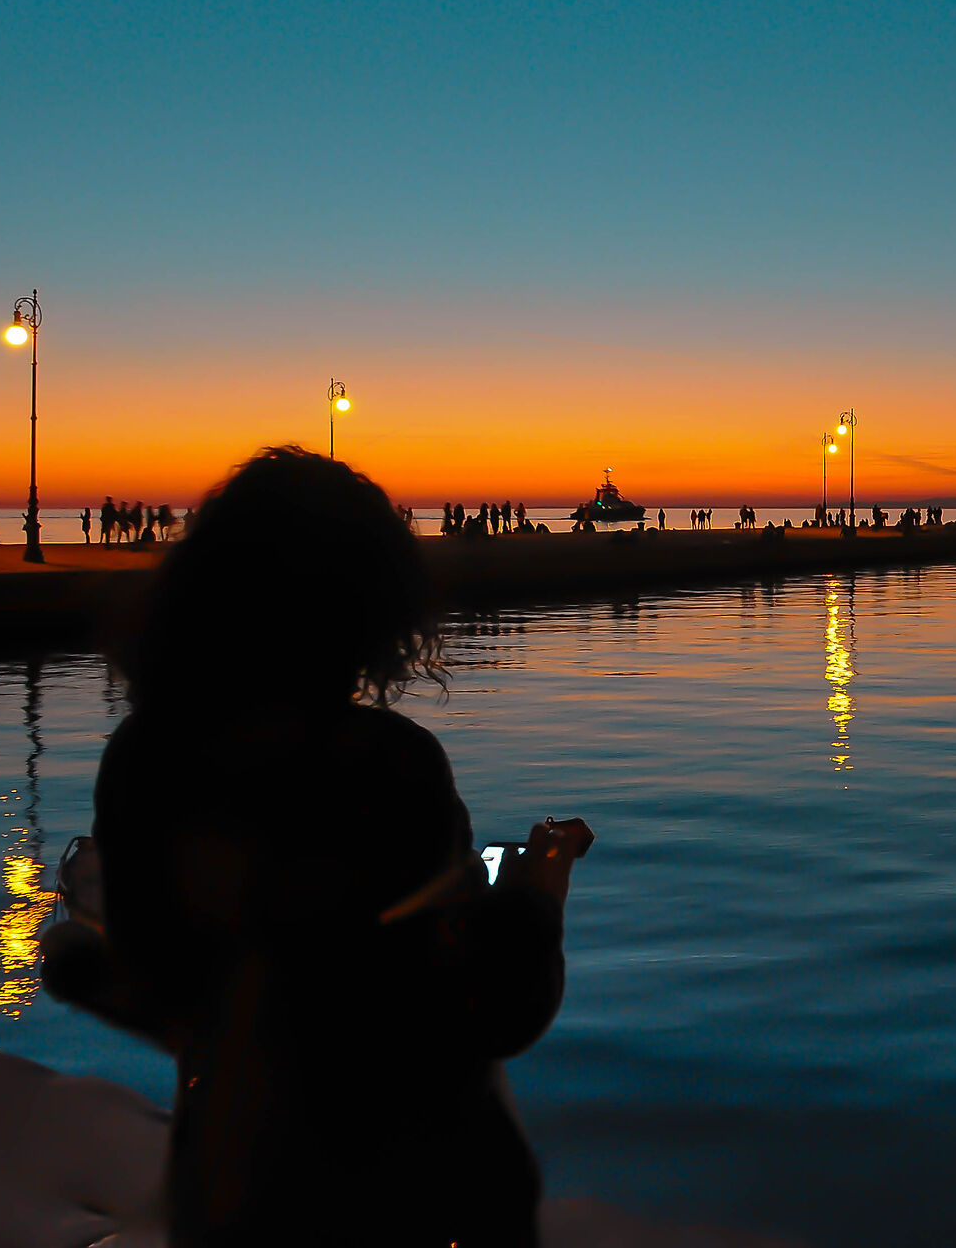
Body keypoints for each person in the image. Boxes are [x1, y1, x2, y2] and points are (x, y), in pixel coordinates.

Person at [42, 447, 589, 1247]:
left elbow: (167, 978)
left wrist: (78, 945)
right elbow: (491, 1007)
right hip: (418, 1204)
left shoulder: (143, 757)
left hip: (232, 1197)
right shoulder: (386, 764)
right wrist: (542, 884)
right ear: (369, 605)